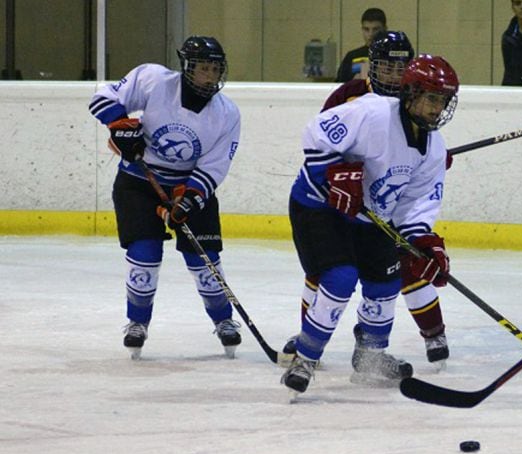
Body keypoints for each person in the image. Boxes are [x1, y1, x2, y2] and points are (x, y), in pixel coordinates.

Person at [281, 54, 460, 395]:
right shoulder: (373, 112)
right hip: (318, 205)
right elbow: (317, 132)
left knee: (386, 282)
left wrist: (421, 242)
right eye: (432, 99)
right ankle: (305, 359)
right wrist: (332, 173)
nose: (438, 109)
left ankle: (370, 360)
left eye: (444, 101)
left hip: (370, 217)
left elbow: (416, 204)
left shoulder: (434, 147)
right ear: (410, 93)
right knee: (340, 277)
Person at [87, 36, 242, 360]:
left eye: (215, 69)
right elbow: (102, 97)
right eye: (202, 69)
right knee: (145, 252)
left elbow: (215, 166)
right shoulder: (153, 80)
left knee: (205, 260)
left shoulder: (227, 114)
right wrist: (118, 123)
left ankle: (224, 319)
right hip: (138, 183)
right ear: (187, 68)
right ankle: (137, 322)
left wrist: (189, 199)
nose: (210, 77)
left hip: (188, 186)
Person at [335, 7, 387, 83]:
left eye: (375, 29)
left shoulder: (394, 55)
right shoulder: (353, 56)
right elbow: (338, 86)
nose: (371, 34)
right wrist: (352, 83)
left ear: (384, 29)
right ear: (362, 29)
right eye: (366, 29)